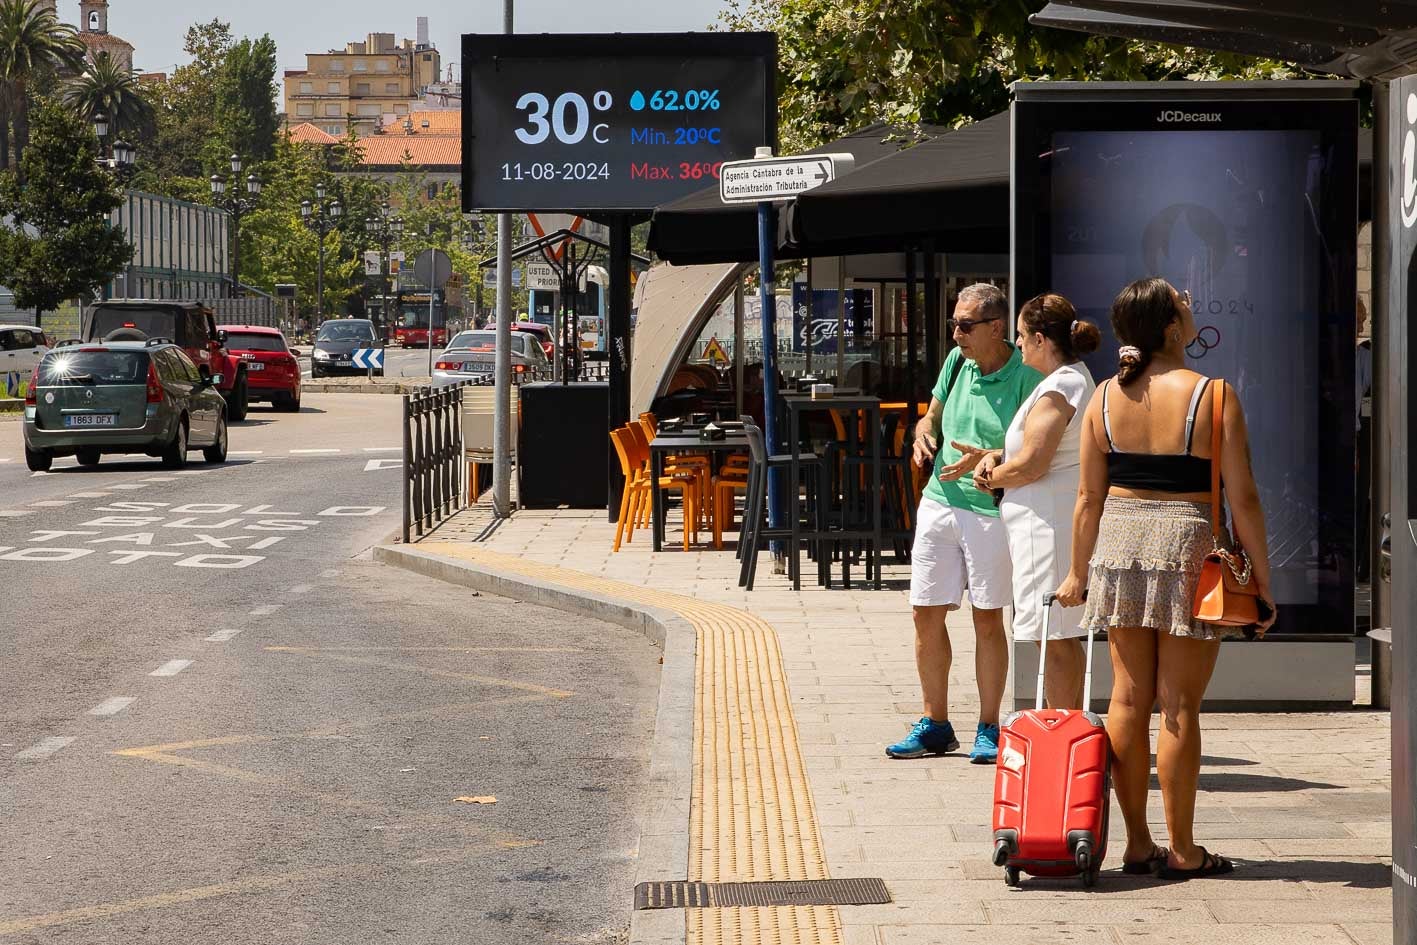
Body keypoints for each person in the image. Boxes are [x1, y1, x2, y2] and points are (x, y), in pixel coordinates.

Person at [1055, 276, 1277, 879]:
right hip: (1187, 544)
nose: (1191, 308)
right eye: (1184, 305)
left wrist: (1078, 572)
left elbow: (1086, 500)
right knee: (1179, 705)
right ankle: (1183, 849)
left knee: (1126, 698)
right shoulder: (1213, 395)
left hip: (1120, 543)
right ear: (1174, 330)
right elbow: (1245, 498)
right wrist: (1259, 578)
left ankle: (1135, 842)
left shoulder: (1103, 398)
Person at [887, 283, 1043, 762]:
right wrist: (923, 434)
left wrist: (993, 456)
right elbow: (930, 417)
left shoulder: (1027, 379)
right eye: (954, 324)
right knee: (924, 611)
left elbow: (1037, 451)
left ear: (997, 328)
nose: (956, 334)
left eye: (965, 326)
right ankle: (936, 723)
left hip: (989, 509)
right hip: (939, 501)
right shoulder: (957, 363)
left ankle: (989, 725)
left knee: (987, 617)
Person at [969, 293, 1100, 709]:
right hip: (1048, 524)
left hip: (1047, 528)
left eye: (1023, 335)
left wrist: (990, 477)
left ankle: (1063, 733)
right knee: (1058, 636)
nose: (1018, 343)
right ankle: (1067, 728)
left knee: (1055, 636)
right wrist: (996, 457)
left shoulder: (1060, 387)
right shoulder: (1068, 381)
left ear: (1041, 339)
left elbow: (1033, 463)